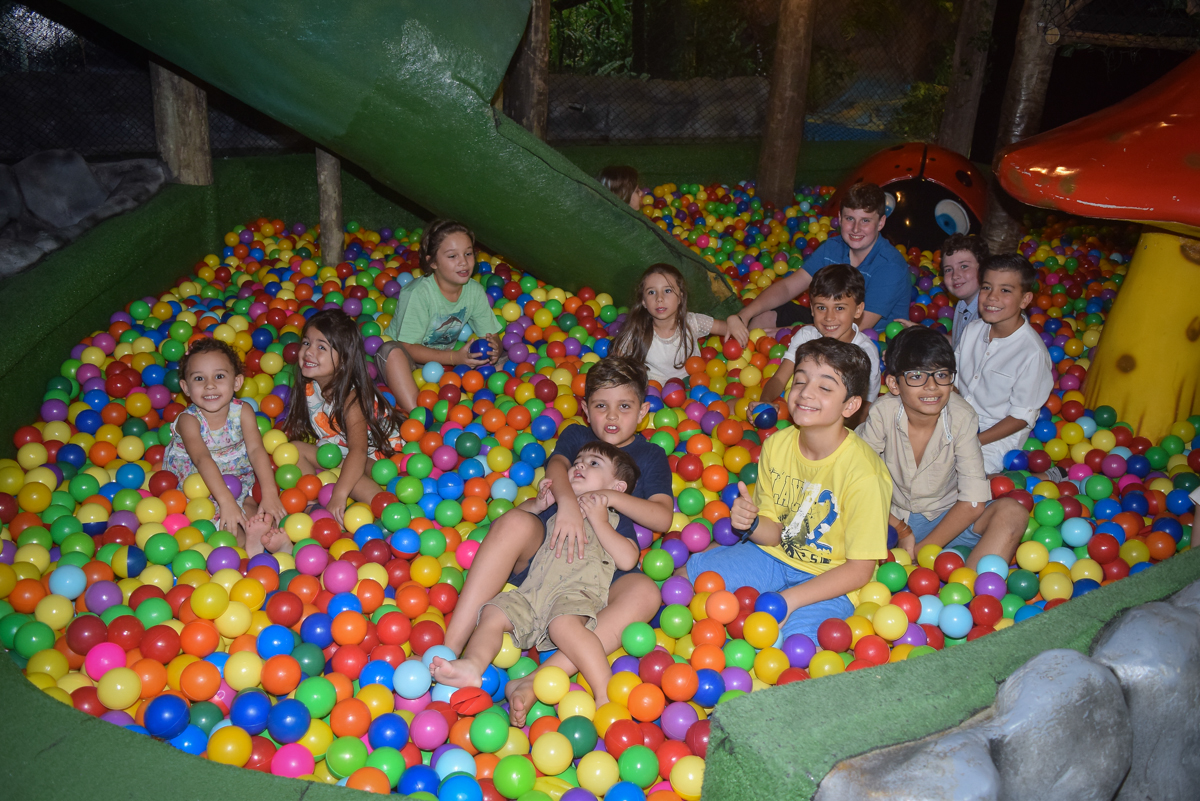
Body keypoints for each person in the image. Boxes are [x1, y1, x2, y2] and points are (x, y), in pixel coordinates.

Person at [442, 357, 673, 725]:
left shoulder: (650, 455)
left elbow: (662, 516)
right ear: (585, 409)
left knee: (646, 591)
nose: (611, 416)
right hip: (545, 557)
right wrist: (567, 505)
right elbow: (556, 470)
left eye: (625, 407)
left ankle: (539, 678)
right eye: (601, 406)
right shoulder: (578, 437)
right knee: (515, 520)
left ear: (644, 411)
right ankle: (453, 649)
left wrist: (607, 500)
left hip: (599, 574)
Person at [682, 339, 892, 643]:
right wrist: (752, 523)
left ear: (850, 405)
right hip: (773, 556)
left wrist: (789, 600)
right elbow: (776, 533)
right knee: (690, 582)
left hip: (830, 579)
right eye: (801, 380)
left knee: (797, 644)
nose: (806, 392)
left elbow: (859, 571)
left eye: (825, 387)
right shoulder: (777, 445)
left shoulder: (865, 474)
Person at [430, 442, 641, 708]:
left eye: (594, 463)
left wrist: (599, 520)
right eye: (578, 460)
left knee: (564, 627)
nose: (580, 465)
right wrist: (538, 505)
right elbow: (506, 529)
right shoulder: (558, 506)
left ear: (617, 488)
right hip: (532, 592)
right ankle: (472, 665)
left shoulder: (616, 519)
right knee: (493, 613)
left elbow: (628, 558)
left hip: (575, 595)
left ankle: (603, 693)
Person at [857, 327, 1028, 569]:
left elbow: (972, 502)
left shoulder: (962, 417)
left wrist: (921, 552)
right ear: (894, 384)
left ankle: (970, 592)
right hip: (888, 517)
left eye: (942, 375)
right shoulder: (882, 414)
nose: (932, 386)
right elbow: (853, 482)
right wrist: (900, 529)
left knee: (1013, 513)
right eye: (917, 376)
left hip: (946, 518)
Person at [280, 309, 405, 534]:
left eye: (321, 347)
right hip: (340, 451)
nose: (308, 352)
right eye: (306, 342)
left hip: (374, 458)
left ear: (344, 358)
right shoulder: (310, 386)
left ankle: (387, 512)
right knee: (294, 449)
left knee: (355, 476)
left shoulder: (351, 396)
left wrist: (339, 494)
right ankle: (311, 503)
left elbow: (358, 452)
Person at [730, 183, 911, 334]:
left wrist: (784, 333)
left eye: (865, 221)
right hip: (829, 320)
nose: (856, 229)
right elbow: (787, 287)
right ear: (839, 218)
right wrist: (744, 315)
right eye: (850, 218)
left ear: (880, 223)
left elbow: (855, 328)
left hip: (867, 341)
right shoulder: (832, 248)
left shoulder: (890, 266)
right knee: (763, 317)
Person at [162, 339, 286, 557]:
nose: (210, 385)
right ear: (185, 388)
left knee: (254, 511)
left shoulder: (243, 411)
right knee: (226, 523)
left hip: (237, 477)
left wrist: (269, 493)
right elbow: (202, 459)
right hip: (200, 484)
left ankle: (264, 544)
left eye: (219, 376)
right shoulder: (189, 420)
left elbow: (257, 450)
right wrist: (226, 501)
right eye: (199, 378)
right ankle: (245, 553)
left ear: (237, 382)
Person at [379, 220, 503, 413]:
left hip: (448, 366)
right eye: (452, 256)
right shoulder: (417, 294)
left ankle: (477, 407)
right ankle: (419, 414)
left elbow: (491, 334)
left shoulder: (474, 291)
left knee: (504, 358)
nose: (463, 261)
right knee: (389, 351)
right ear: (433, 262)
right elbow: (407, 346)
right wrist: (454, 357)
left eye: (468, 253)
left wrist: (495, 347)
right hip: (409, 362)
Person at [954, 254, 1054, 475]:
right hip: (957, 419)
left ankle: (1045, 476)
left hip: (994, 437)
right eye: (987, 287)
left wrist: (973, 441)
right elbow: (953, 379)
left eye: (1005, 291)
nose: (992, 297)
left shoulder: (1032, 353)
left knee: (960, 479)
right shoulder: (973, 330)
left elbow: (1020, 417)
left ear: (1025, 299)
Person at [759, 263, 881, 409]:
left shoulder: (865, 351)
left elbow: (866, 406)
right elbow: (779, 379)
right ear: (812, 309)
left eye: (839, 308)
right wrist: (765, 402)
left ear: (858, 310)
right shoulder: (806, 337)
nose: (829, 317)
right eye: (821, 308)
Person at [609, 263, 745, 385]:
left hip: (696, 386)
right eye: (651, 292)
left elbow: (731, 329)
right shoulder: (637, 332)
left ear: (680, 296)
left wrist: (733, 319)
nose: (659, 298)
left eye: (667, 290)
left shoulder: (693, 322)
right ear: (643, 301)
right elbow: (615, 364)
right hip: (654, 393)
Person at [894, 233, 988, 350]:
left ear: (984, 268)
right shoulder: (962, 305)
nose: (955, 275)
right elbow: (957, 345)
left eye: (964, 266)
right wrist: (921, 331)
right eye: (948, 269)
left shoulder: (987, 312)